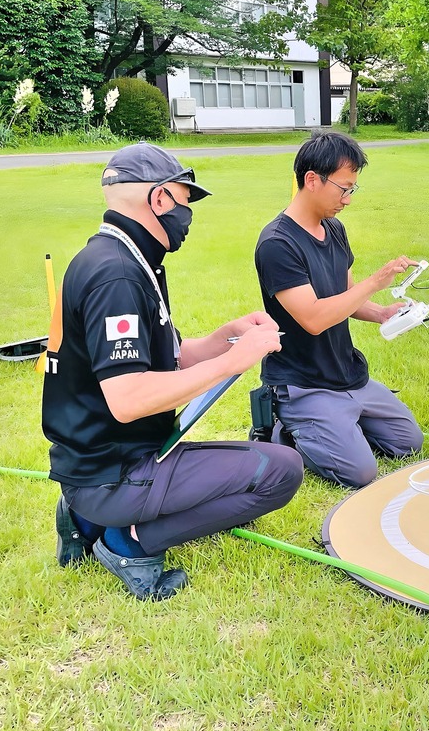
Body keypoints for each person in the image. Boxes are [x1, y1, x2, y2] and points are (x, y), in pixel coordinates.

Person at [43, 142, 303, 601]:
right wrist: (233, 362)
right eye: (185, 201)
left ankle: (85, 518)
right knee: (280, 470)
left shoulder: (124, 259)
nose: (187, 215)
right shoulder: (117, 276)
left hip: (99, 465)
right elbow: (129, 400)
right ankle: (126, 543)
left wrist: (229, 336)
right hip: (116, 469)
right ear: (160, 199)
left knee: (260, 465)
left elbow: (173, 354)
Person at [254, 130, 424, 489]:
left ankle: (338, 422)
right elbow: (314, 319)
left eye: (352, 189)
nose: (348, 199)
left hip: (347, 373)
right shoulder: (277, 244)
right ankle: (291, 427)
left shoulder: (334, 229)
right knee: (360, 473)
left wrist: (380, 312)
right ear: (312, 180)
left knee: (407, 443)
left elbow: (344, 294)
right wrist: (375, 281)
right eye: (344, 188)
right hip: (304, 383)